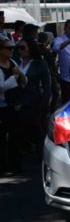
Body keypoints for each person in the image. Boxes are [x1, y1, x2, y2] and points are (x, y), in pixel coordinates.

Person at [16, 39, 51, 162]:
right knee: (19, 129)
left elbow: (47, 85)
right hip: (17, 101)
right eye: (18, 47)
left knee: (36, 129)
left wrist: (45, 102)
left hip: (34, 101)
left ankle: (40, 155)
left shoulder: (39, 63)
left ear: (30, 48)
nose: (20, 50)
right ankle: (21, 155)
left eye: (23, 47)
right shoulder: (15, 62)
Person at [0, 37, 26, 174]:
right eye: (8, 48)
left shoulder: (12, 62)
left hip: (15, 105)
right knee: (2, 139)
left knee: (16, 136)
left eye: (12, 48)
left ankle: (16, 164)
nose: (12, 51)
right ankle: (4, 167)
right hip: (3, 107)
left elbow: (23, 81)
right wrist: (15, 77)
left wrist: (21, 76)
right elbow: (1, 87)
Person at [38, 32, 59, 113]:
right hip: (49, 74)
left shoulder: (39, 49)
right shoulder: (44, 50)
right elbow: (52, 63)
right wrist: (56, 74)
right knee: (54, 93)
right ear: (46, 40)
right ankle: (51, 111)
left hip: (45, 75)